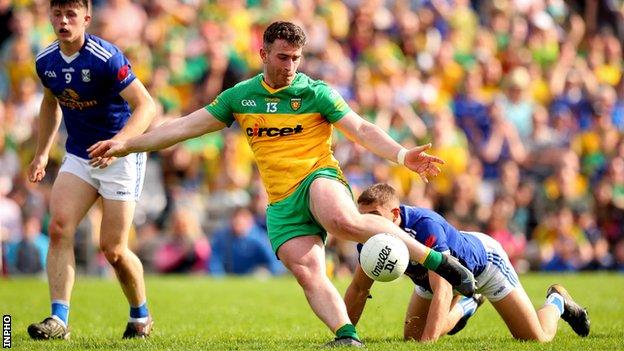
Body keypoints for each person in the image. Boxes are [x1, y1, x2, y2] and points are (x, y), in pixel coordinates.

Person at [88, 21, 475, 347]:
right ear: (264, 54)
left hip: (317, 175)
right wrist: (128, 144)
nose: (290, 66)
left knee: (343, 221)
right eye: (283, 57)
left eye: (296, 58)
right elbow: (184, 127)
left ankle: (440, 262)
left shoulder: (314, 92)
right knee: (308, 272)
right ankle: (346, 335)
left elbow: (361, 128)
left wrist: (402, 155)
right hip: (280, 201)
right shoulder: (240, 97)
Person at [27, 0, 156, 340]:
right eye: (57, 14)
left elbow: (145, 105)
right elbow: (50, 103)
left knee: (113, 249)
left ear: (86, 18)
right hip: (80, 156)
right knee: (58, 228)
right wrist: (41, 154)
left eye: (71, 15)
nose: (63, 21)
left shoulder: (106, 58)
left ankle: (140, 314)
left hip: (120, 157)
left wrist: (121, 143)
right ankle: (59, 320)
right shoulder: (45, 61)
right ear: (50, 17)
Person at [345, 183, 590, 343]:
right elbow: (358, 289)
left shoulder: (424, 226)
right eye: (363, 217)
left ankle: (557, 300)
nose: (368, 223)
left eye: (374, 216)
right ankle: (469, 304)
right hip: (434, 278)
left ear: (395, 214)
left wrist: (428, 345)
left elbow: (444, 287)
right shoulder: (369, 238)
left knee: (537, 338)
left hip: (485, 266)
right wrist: (346, 334)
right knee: (412, 337)